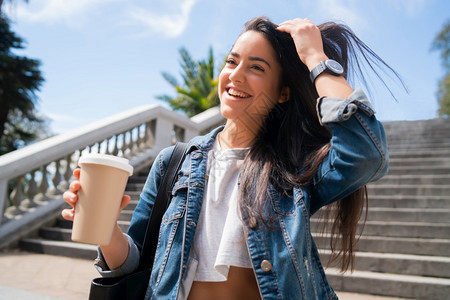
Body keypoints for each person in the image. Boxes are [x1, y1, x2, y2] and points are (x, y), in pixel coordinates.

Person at [63, 16, 398, 300]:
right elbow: (133, 261)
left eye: (256, 67)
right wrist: (105, 229)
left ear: (283, 92)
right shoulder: (174, 163)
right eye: (232, 61)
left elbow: (366, 155)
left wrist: (315, 58)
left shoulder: (293, 169)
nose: (235, 75)